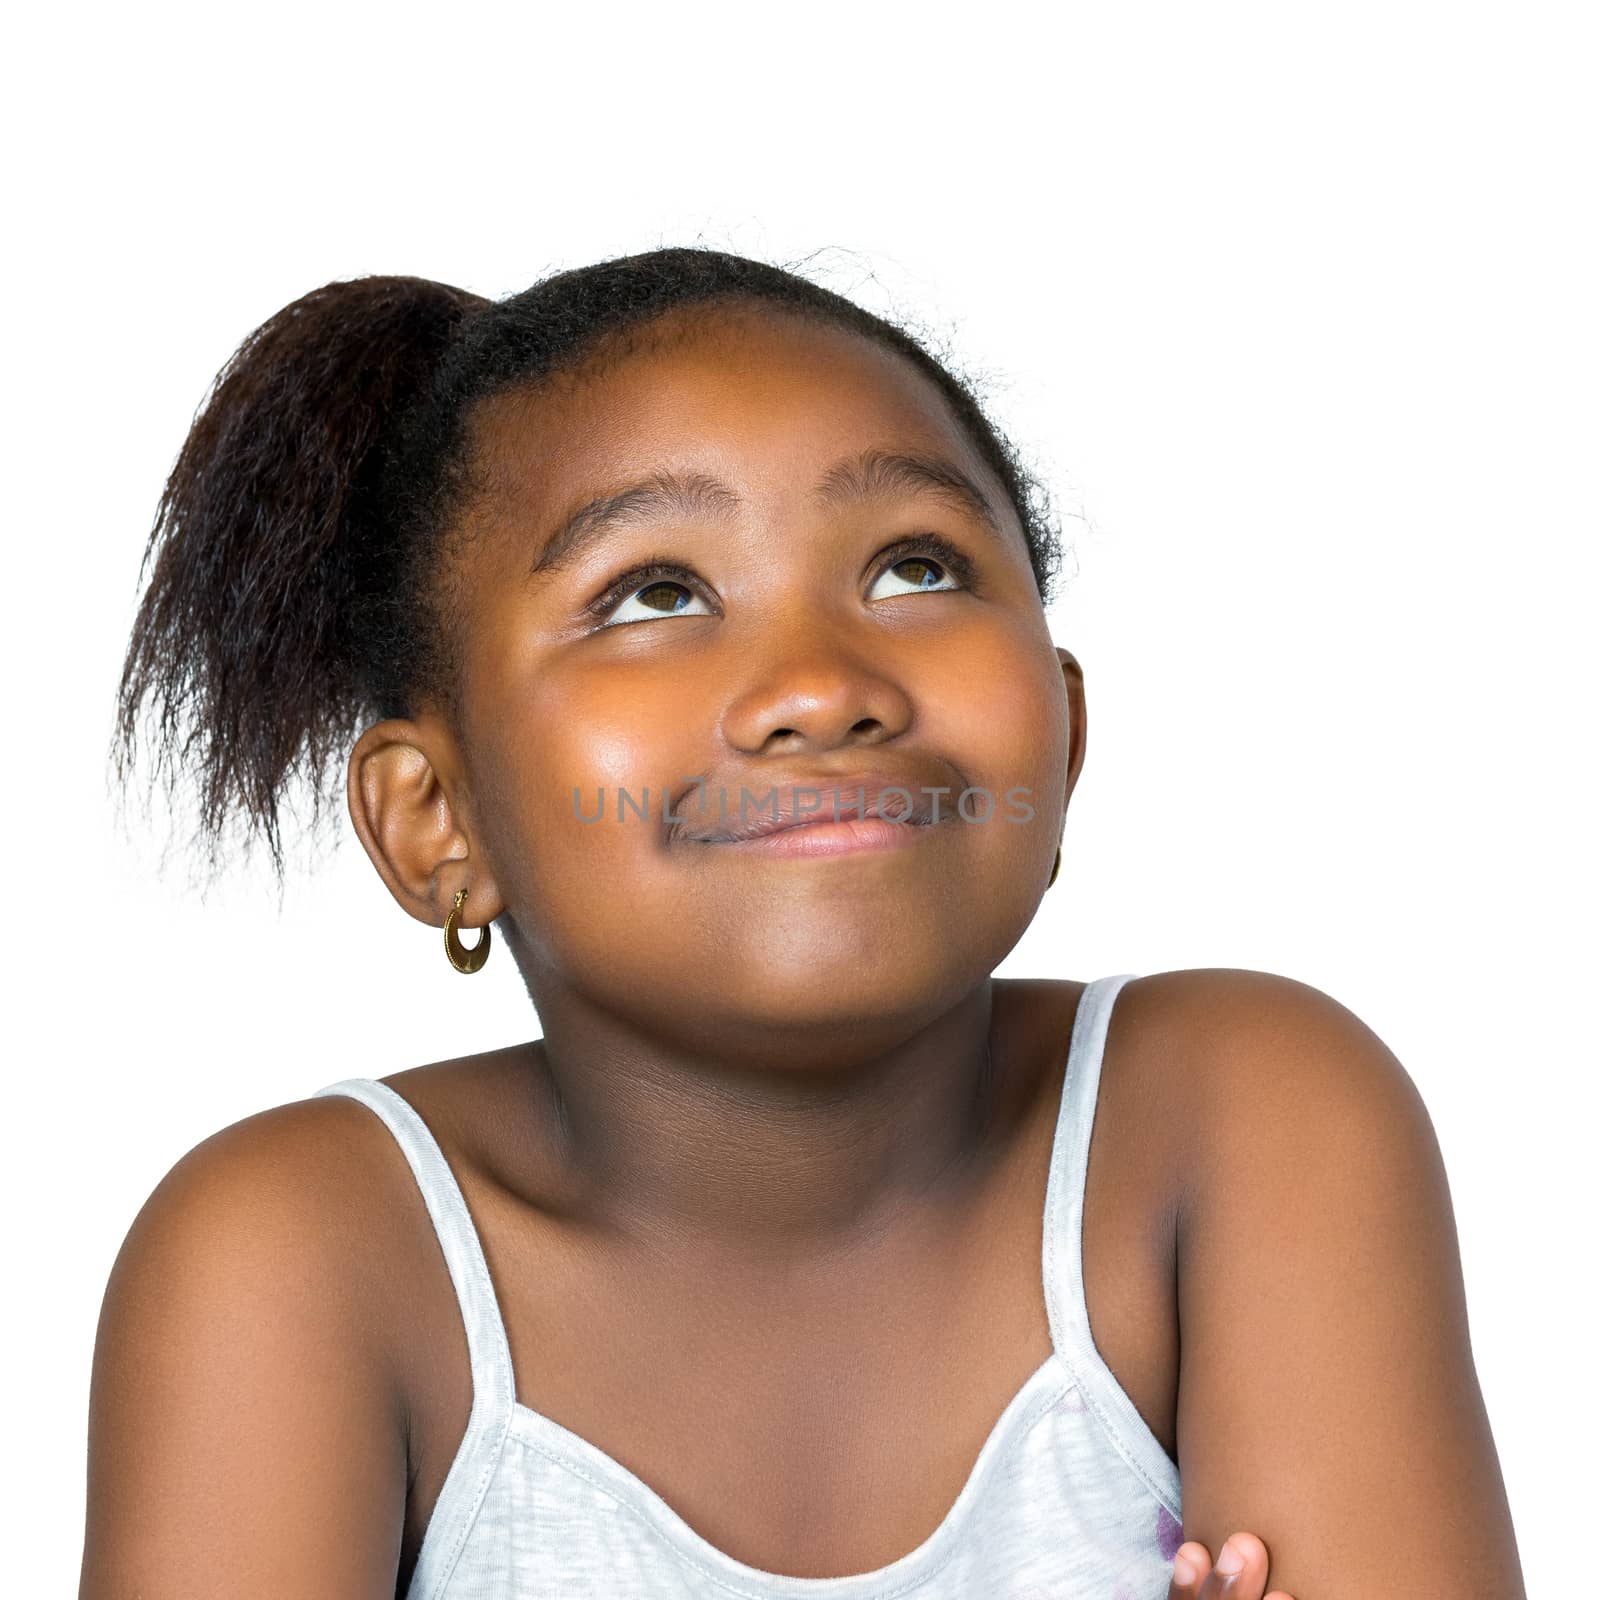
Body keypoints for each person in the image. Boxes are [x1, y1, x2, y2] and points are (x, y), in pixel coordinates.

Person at [80, 246, 1525, 1599]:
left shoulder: (1249, 1113)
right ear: (436, 823)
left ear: (1065, 741)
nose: (822, 685)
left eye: (916, 567)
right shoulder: (298, 1259)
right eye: (654, 592)